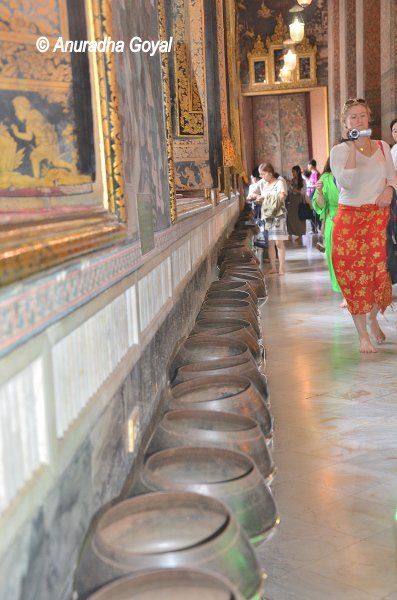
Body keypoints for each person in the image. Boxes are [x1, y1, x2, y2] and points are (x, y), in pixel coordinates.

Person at [330, 97, 397, 353]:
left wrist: (390, 189)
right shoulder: (339, 151)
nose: (359, 120)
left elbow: (393, 177)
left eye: (362, 116)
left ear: (369, 118)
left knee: (377, 274)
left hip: (376, 218)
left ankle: (372, 320)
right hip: (349, 222)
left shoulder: (382, 146)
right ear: (345, 123)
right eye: (353, 117)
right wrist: (353, 147)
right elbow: (345, 184)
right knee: (355, 278)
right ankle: (363, 336)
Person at [312, 157, 346, 305]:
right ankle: (345, 292)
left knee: (353, 257)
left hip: (354, 220)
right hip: (333, 221)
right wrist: (319, 192)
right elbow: (320, 205)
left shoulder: (355, 175)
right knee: (336, 258)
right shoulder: (325, 178)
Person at [250, 162, 288, 275]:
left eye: (264, 174)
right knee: (270, 243)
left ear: (270, 173)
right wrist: (257, 196)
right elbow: (252, 192)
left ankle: (281, 268)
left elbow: (281, 197)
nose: (262, 176)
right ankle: (273, 268)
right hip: (267, 216)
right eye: (261, 174)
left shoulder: (279, 182)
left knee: (279, 243)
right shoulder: (262, 182)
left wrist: (264, 198)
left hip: (277, 215)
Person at [287, 165, 307, 239]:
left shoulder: (303, 181)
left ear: (298, 172)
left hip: (299, 201)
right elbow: (289, 191)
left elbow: (302, 192)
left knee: (299, 217)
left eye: (294, 172)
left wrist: (293, 189)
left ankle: (300, 234)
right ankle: (290, 234)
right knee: (290, 217)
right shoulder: (292, 181)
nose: (292, 173)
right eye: (292, 172)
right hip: (292, 200)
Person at [307, 159, 321, 232]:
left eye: (308, 165)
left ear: (311, 165)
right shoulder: (312, 174)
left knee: (314, 211)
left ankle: (318, 226)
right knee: (311, 211)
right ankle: (313, 228)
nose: (308, 166)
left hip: (314, 194)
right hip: (310, 194)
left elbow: (316, 185)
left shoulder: (316, 174)